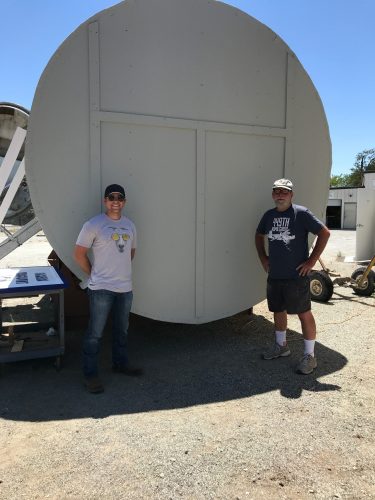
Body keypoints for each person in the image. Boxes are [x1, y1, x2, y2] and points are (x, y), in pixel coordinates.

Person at [255, 178, 330, 374]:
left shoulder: (301, 213)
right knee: (278, 310)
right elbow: (258, 235)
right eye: (277, 191)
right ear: (273, 195)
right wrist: (263, 258)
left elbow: (324, 233)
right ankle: (281, 346)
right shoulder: (268, 216)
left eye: (285, 192)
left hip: (296, 276)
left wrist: (312, 261)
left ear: (291, 195)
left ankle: (309, 356)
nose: (281, 195)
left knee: (304, 313)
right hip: (275, 275)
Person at [74, 183, 142, 393]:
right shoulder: (93, 224)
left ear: (124, 202)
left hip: (125, 288)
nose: (115, 201)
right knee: (95, 333)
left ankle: (120, 364)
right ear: (105, 201)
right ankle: (90, 375)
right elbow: (79, 254)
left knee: (122, 330)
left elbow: (130, 253)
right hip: (101, 288)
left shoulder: (130, 225)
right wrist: (93, 273)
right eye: (111, 198)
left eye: (119, 198)